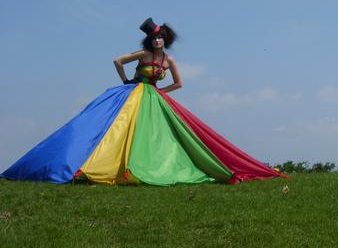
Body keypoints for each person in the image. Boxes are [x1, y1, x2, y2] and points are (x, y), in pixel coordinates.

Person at [1, 18, 285, 186]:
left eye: (161, 38)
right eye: (155, 38)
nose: (158, 41)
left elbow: (179, 83)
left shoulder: (168, 60)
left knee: (163, 135)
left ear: (165, 40)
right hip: (131, 92)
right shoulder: (142, 55)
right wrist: (126, 80)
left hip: (153, 96)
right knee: (103, 127)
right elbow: (116, 59)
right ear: (150, 40)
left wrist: (164, 93)